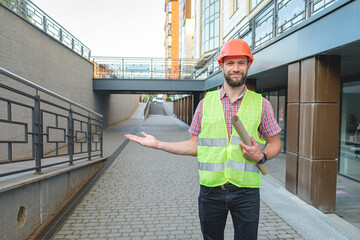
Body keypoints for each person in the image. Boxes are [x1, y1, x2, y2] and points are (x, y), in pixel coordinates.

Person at [125, 39, 282, 240]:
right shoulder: (204, 104)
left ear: (248, 65)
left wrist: (262, 155)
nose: (236, 68)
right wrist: (158, 144)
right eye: (230, 63)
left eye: (241, 63)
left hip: (246, 193)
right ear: (222, 66)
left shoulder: (262, 104)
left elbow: (275, 143)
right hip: (211, 192)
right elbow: (194, 146)